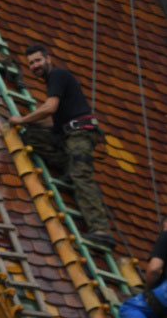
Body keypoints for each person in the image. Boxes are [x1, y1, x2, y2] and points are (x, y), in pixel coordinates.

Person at [7, 43, 115, 248]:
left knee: (81, 176)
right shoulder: (54, 81)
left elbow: (50, 108)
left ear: (48, 59)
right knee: (32, 136)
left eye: (38, 60)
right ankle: (68, 166)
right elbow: (53, 123)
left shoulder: (57, 75)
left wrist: (22, 119)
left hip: (80, 134)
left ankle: (101, 229)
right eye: (31, 63)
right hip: (69, 134)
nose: (35, 65)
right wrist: (29, 122)